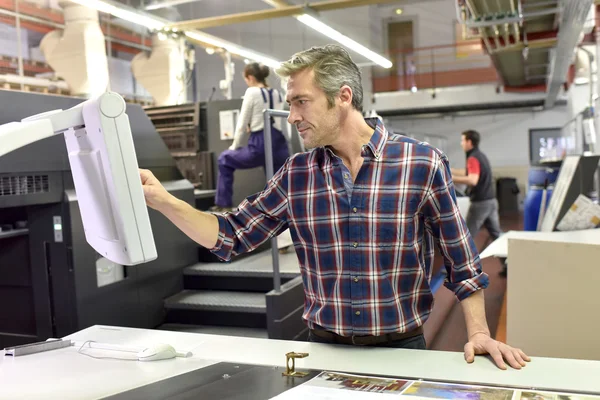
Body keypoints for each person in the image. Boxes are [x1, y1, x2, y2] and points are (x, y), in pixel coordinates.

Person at [140, 45, 529, 370]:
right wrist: (165, 201)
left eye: (301, 102)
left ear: (343, 97)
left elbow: (463, 263)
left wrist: (478, 332)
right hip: (324, 352)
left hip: (403, 350)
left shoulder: (421, 164)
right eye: (290, 103)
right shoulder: (297, 174)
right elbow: (230, 237)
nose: (292, 116)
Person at [212, 62, 290, 211]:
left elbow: (242, 123)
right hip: (279, 143)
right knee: (276, 178)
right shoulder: (277, 93)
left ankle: (223, 204)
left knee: (224, 158)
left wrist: (234, 146)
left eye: (246, 79)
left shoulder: (252, 92)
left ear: (251, 78)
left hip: (260, 142)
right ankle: (283, 209)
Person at [451, 130, 506, 276]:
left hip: (481, 203)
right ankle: (508, 265)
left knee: (466, 236)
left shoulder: (473, 158)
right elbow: (469, 173)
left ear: (469, 142)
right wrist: (451, 171)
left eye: (463, 140)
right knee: (496, 234)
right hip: (491, 201)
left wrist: (450, 179)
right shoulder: (479, 156)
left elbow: (472, 180)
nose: (461, 143)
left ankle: (462, 269)